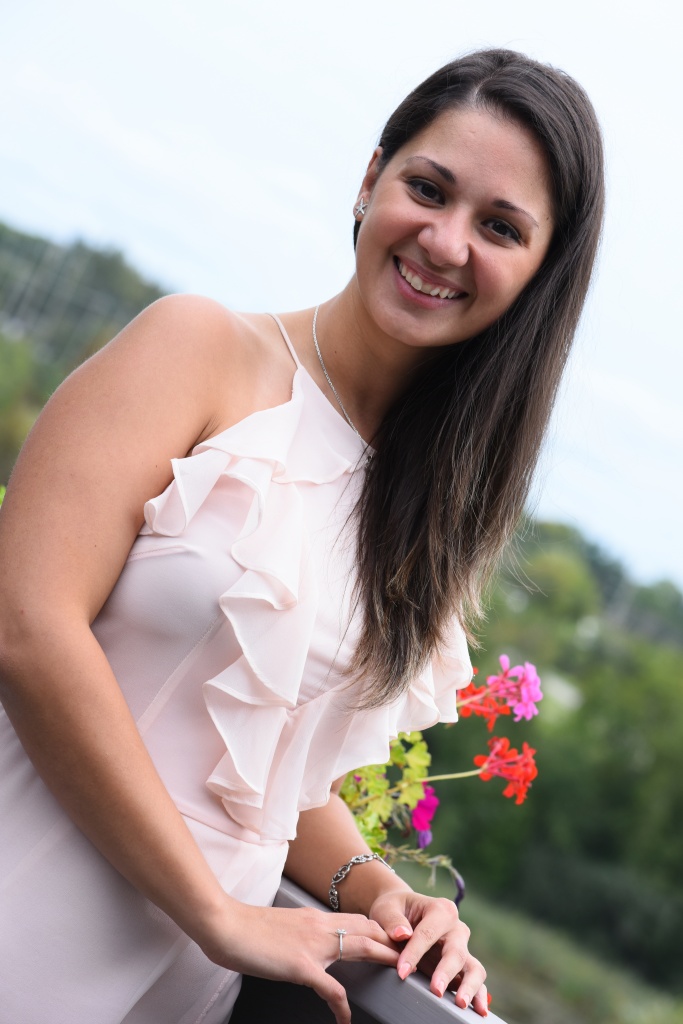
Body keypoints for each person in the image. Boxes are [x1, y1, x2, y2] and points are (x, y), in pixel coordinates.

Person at [0, 48, 604, 1024]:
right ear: (370, 180)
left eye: (499, 227)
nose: (445, 241)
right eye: (427, 189)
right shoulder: (197, 351)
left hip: (175, 985)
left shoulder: (428, 515)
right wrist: (216, 914)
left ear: (540, 274)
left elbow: (258, 770)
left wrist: (379, 888)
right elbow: (26, 628)